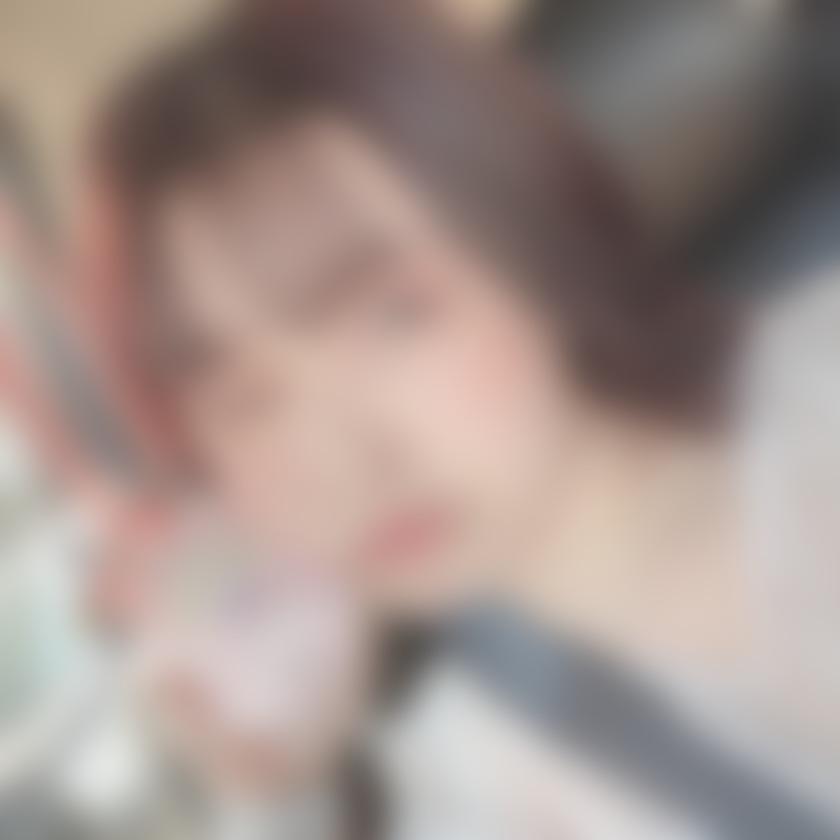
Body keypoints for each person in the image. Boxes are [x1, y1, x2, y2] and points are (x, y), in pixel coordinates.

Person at [84, 0, 840, 836]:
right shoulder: (478, 771)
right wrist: (276, 793)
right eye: (246, 401)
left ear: (528, 226)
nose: (340, 462)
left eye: (396, 316)